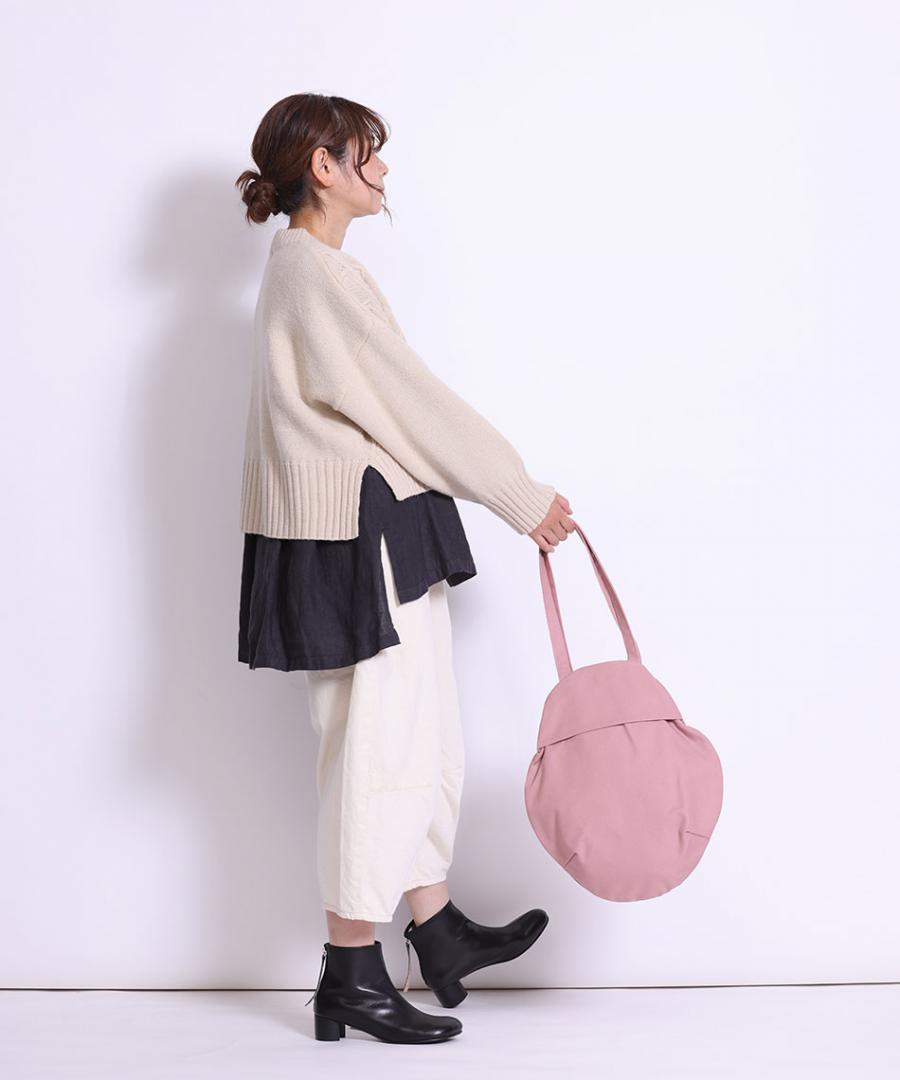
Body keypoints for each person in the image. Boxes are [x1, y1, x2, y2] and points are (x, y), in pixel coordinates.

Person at [235, 93, 575, 1045]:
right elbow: (412, 403)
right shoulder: (315, 275)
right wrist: (517, 492)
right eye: (366, 154)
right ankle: (352, 969)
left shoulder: (310, 270)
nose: (382, 170)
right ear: (324, 168)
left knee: (418, 739)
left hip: (370, 528)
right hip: (357, 538)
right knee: (378, 749)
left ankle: (436, 927)